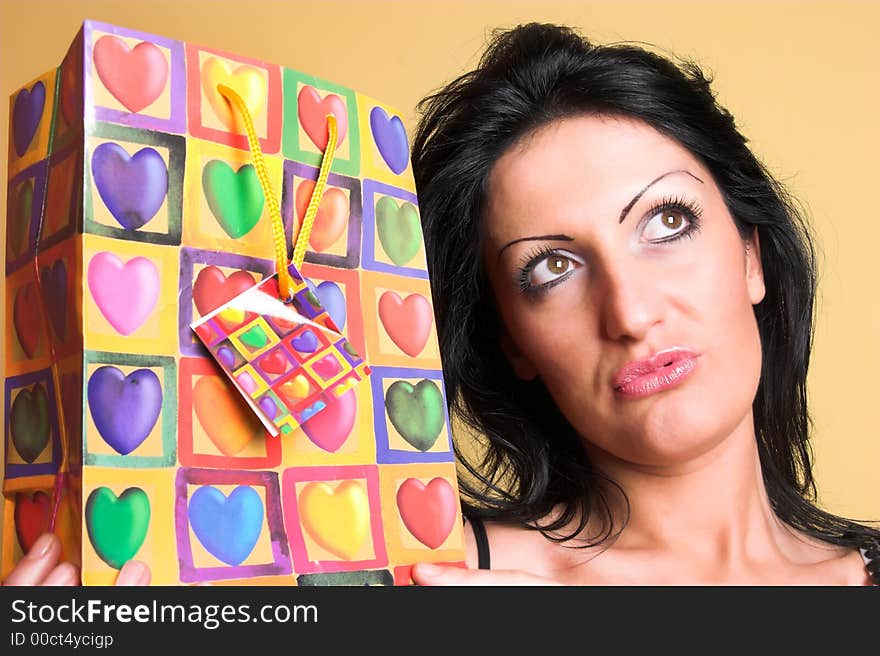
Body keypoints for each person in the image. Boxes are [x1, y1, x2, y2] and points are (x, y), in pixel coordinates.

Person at [5, 22, 879, 587]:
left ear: (753, 258)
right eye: (551, 268)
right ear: (513, 340)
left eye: (668, 222)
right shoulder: (415, 581)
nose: (632, 311)